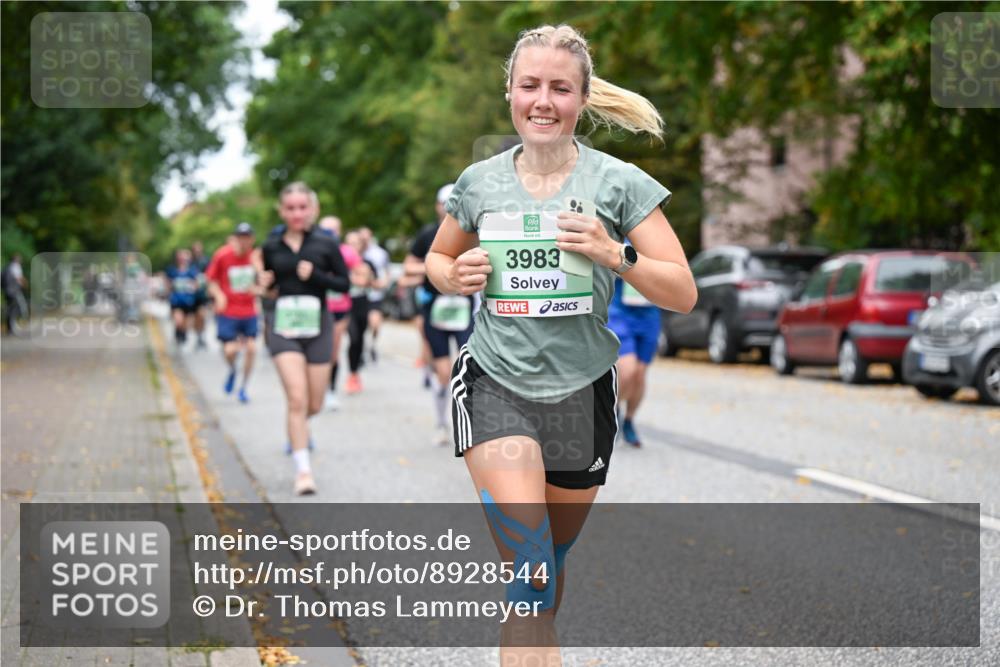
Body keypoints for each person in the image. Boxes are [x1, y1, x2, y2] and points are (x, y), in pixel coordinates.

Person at [424, 24, 696, 664]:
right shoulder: (480, 182)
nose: (542, 101)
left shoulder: (619, 183)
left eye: (559, 88)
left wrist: (615, 253)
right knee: (530, 568)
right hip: (496, 382)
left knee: (550, 564)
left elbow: (682, 290)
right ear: (511, 94)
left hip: (583, 391)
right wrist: (452, 274)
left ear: (581, 98)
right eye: (529, 86)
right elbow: (438, 258)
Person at [260, 182, 351, 496]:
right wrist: (263, 285)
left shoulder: (325, 244)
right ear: (281, 211)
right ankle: (303, 471)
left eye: (302, 207)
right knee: (296, 399)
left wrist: (315, 276)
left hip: (318, 327)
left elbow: (344, 284)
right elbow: (268, 287)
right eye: (290, 208)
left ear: (313, 209)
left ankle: (298, 426)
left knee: (315, 403)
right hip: (283, 327)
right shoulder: (271, 246)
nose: (297, 213)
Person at [406, 184, 476, 446]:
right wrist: (437, 269)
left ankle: (468, 424)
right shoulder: (427, 235)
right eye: (444, 203)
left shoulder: (473, 233)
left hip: (464, 309)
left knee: (468, 367)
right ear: (437, 206)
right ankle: (441, 423)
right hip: (435, 309)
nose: (449, 207)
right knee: (444, 371)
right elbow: (408, 268)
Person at [607, 240, 661, 447]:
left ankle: (629, 420)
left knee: (639, 374)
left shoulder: (658, 242)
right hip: (621, 312)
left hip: (649, 314)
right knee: (627, 370)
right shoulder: (621, 238)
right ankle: (615, 408)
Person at [205, 223, 260, 404]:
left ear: (252, 239)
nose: (244, 241)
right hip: (228, 311)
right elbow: (210, 280)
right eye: (241, 237)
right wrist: (219, 295)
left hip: (249, 310)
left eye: (247, 237)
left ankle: (243, 387)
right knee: (230, 350)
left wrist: (258, 288)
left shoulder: (256, 257)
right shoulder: (223, 255)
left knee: (252, 348)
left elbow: (265, 281)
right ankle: (232, 370)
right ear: (235, 238)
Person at [318, 216, 363, 411]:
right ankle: (316, 388)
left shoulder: (347, 252)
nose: (330, 234)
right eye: (326, 230)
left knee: (333, 352)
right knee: (316, 352)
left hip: (339, 309)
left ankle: (330, 391)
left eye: (334, 230)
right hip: (317, 309)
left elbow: (363, 274)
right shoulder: (312, 249)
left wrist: (349, 276)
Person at [343, 230, 376, 394]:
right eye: (349, 243)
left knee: (359, 340)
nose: (352, 247)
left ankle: (355, 372)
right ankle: (351, 374)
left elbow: (370, 281)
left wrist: (351, 277)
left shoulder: (367, 262)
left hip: (361, 304)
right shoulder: (338, 261)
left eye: (355, 243)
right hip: (344, 304)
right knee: (353, 336)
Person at [359, 227, 390, 363]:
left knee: (375, 323)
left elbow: (387, 271)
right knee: (360, 325)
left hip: (375, 294)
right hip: (359, 295)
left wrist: (384, 283)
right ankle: (360, 349)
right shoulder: (354, 252)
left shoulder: (379, 253)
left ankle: (372, 345)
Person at [165, 249, 201, 348]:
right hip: (176, 300)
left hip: (188, 301)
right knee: (178, 320)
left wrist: (193, 287)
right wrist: (169, 291)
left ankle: (182, 333)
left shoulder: (192, 271)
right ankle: (178, 332)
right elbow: (168, 284)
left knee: (186, 323)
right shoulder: (172, 271)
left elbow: (197, 284)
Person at [190, 240, 210, 349]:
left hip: (203, 294)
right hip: (193, 295)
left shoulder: (206, 260)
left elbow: (210, 274)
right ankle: (198, 336)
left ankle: (202, 336)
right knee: (196, 317)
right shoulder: (190, 262)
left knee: (202, 315)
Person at [2, 253, 27, 336]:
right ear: (17, 259)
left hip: (7, 291)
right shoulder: (16, 266)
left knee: (10, 309)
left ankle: (10, 329)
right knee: (15, 308)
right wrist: (25, 285)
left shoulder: (7, 267)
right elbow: (19, 278)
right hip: (14, 291)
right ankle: (14, 326)